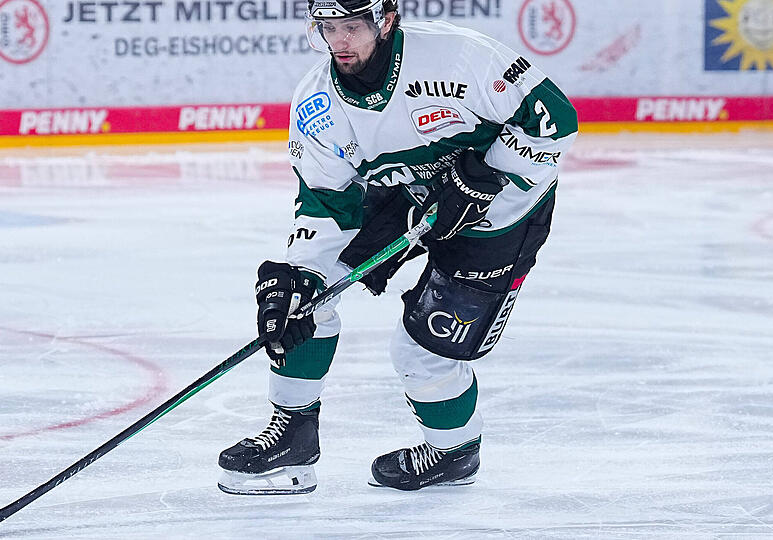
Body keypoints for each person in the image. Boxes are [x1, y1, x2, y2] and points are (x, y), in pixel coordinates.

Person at [217, 0, 578, 494]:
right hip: (409, 195)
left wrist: (486, 175)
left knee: (422, 351)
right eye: (328, 28)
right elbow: (326, 202)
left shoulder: (457, 57)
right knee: (304, 295)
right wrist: (302, 273)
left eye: (351, 27)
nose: (339, 41)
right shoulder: (317, 104)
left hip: (502, 214)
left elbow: (555, 119)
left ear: (385, 20)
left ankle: (454, 452)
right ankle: (294, 435)